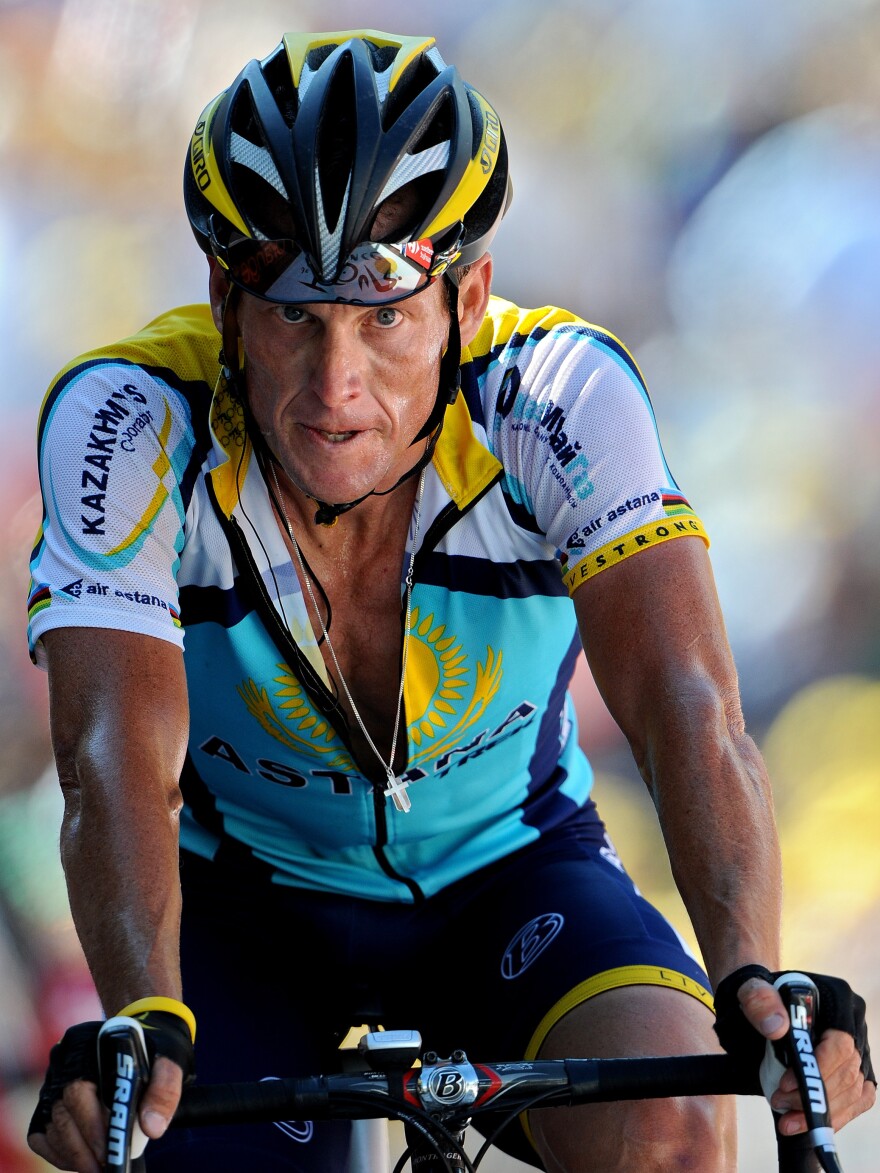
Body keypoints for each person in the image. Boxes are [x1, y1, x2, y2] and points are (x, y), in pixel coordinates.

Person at [25, 28, 874, 1173]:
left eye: (383, 319)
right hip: (245, 909)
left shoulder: (559, 396)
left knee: (670, 1130)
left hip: (515, 883)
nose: (336, 388)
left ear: (466, 299)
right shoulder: (129, 421)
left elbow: (687, 707)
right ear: (225, 298)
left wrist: (755, 985)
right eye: (294, 317)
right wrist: (143, 1012)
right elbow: (109, 751)